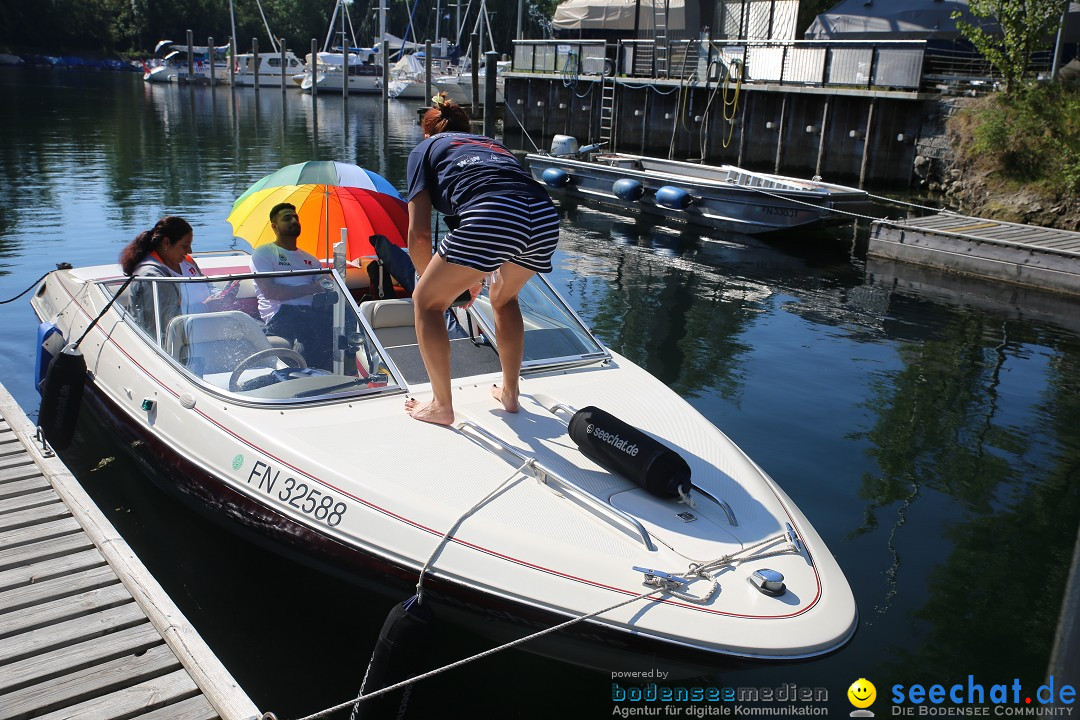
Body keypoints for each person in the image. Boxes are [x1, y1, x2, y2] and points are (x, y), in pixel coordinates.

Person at [403, 94, 560, 425]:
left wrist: (436, 290)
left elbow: (418, 236)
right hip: (544, 215)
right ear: (466, 128)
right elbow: (490, 233)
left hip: (495, 214)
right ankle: (510, 394)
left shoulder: (424, 150)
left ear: (426, 132)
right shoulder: (491, 145)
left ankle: (441, 406)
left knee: (426, 302)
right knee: (504, 299)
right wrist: (469, 280)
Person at [251, 202, 332, 369]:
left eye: (296, 217)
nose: (294, 220)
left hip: (311, 312)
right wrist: (314, 287)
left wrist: (326, 288)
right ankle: (306, 377)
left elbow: (328, 285)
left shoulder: (311, 259)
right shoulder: (264, 253)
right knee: (312, 328)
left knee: (346, 321)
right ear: (274, 226)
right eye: (287, 218)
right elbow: (271, 293)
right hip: (281, 314)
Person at [119, 216, 206, 335]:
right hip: (168, 341)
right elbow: (167, 321)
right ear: (166, 242)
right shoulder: (151, 276)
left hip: (196, 328)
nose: (189, 251)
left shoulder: (187, 262)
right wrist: (204, 306)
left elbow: (206, 286)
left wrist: (221, 295)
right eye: (185, 246)